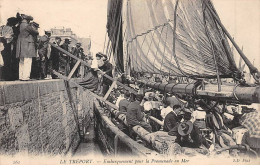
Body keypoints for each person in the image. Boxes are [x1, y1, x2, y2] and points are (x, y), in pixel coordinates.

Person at [16, 14, 38, 81]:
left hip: (21, 46)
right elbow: (36, 32)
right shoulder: (27, 26)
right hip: (27, 46)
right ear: (27, 20)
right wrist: (33, 27)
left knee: (22, 61)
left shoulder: (20, 25)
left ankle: (21, 76)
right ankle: (26, 77)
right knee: (28, 61)